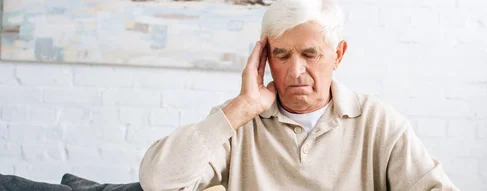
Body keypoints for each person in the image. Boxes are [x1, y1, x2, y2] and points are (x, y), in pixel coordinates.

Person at [139, 0, 459, 190]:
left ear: (338, 54)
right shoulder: (240, 122)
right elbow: (158, 182)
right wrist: (242, 107)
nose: (295, 71)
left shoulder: (378, 122)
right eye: (281, 55)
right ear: (264, 57)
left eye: (310, 54)